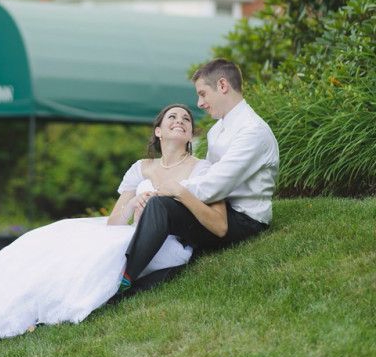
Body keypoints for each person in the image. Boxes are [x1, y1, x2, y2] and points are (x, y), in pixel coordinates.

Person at [0, 103, 226, 352]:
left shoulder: (200, 168)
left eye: (186, 119)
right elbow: (114, 221)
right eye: (172, 117)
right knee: (49, 247)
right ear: (158, 131)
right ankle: (26, 310)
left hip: (168, 237)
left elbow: (207, 213)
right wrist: (135, 202)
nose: (180, 121)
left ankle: (98, 295)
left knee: (101, 260)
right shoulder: (141, 167)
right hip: (128, 228)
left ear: (190, 134)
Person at [118, 58, 278, 295]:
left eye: (203, 94)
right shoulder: (217, 131)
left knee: (161, 206)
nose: (199, 103)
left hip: (245, 221)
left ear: (222, 86)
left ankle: (124, 280)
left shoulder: (252, 131)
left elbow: (215, 185)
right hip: (216, 208)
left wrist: (171, 188)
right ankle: (129, 280)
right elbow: (209, 181)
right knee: (163, 214)